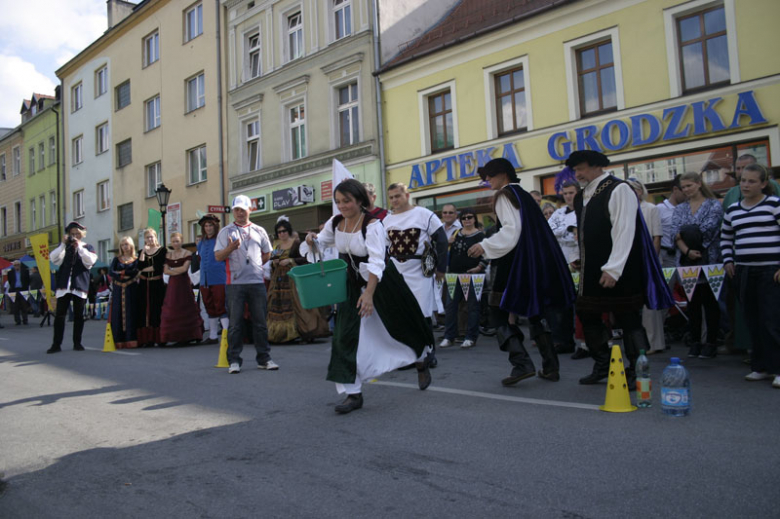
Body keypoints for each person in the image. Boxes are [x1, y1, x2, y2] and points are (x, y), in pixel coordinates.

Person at [302, 179, 434, 413]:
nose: (342, 206)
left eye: (347, 201)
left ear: (360, 200)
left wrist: (370, 294)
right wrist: (312, 240)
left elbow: (377, 261)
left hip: (382, 281)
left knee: (402, 324)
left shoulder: (373, 225)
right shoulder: (335, 223)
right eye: (338, 201)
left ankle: (421, 359)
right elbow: (320, 244)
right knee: (344, 335)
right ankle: (353, 394)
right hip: (352, 283)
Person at [567, 150, 673, 387]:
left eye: (581, 168)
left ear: (596, 166)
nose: (578, 174)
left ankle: (638, 369)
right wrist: (578, 257)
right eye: (575, 170)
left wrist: (613, 269)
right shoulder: (582, 195)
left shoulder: (619, 188)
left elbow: (624, 230)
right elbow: (584, 233)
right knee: (587, 313)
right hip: (592, 269)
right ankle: (603, 364)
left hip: (621, 267)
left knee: (627, 318)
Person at [465, 158, 574, 385]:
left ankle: (522, 364)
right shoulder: (523, 194)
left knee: (497, 312)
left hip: (513, 262)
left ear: (503, 174)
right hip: (533, 262)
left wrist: (484, 245)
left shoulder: (505, 195)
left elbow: (512, 231)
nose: (487, 180)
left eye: (490, 175)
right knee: (535, 312)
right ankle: (551, 367)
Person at [721, 164, 780, 389]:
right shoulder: (734, 209)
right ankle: (760, 366)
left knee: (771, 320)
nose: (745, 185)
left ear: (764, 184)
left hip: (770, 271)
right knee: (752, 320)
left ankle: (778, 367)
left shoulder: (774, 205)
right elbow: (725, 237)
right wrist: (728, 260)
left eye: (751, 181)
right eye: (743, 180)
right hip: (744, 271)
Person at [384, 183, 448, 366]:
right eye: (391, 197)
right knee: (402, 315)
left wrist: (440, 268)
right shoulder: (387, 221)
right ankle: (409, 356)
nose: (395, 200)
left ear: (407, 195)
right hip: (396, 271)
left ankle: (429, 354)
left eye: (398, 196)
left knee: (423, 313)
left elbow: (441, 240)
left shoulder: (423, 214)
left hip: (420, 270)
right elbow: (383, 247)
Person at [214, 195, 276, 373]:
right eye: (236, 210)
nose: (240, 213)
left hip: (256, 282)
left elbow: (267, 253)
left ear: (250, 210)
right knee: (235, 323)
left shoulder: (259, 230)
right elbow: (218, 256)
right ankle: (234, 360)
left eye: (243, 209)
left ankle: (264, 358)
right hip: (235, 283)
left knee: (260, 323)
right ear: (233, 211)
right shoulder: (226, 231)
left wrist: (256, 267)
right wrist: (230, 248)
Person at [672, 172, 723, 359]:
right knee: (692, 304)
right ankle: (695, 342)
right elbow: (675, 233)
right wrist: (687, 251)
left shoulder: (713, 205)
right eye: (683, 187)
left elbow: (709, 229)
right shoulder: (680, 208)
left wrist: (691, 237)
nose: (686, 190)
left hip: (710, 259)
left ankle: (711, 342)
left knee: (710, 303)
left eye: (689, 186)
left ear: (699, 184)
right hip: (686, 261)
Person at [266, 218, 329, 343]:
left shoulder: (296, 243)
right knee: (280, 307)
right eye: (279, 232)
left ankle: (304, 332)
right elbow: (272, 262)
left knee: (300, 306)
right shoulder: (277, 246)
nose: (282, 234)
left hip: (294, 280)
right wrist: (275, 262)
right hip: (279, 282)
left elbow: (305, 259)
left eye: (284, 231)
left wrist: (290, 261)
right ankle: (283, 334)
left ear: (288, 231)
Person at [627, 178, 666, 355]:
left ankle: (655, 342)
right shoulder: (625, 210)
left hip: (648, 258)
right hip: (630, 259)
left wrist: (653, 260)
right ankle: (639, 342)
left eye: (635, 190)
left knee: (651, 305)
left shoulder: (651, 209)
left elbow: (657, 237)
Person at [547, 179, 584, 358]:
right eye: (566, 193)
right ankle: (563, 341)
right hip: (560, 262)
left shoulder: (584, 210)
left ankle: (585, 344)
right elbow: (550, 231)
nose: (568, 196)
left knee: (582, 305)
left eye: (572, 192)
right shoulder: (559, 212)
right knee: (561, 305)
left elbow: (576, 235)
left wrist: (565, 232)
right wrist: (567, 230)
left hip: (579, 261)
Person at [47, 221, 98, 353]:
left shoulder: (87, 247)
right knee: (60, 315)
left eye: (77, 234)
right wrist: (63, 244)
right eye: (72, 234)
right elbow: (53, 259)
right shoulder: (65, 247)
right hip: (64, 285)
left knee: (78, 316)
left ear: (82, 234)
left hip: (80, 285)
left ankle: (77, 342)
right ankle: (56, 344)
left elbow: (91, 261)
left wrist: (79, 247)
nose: (75, 236)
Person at [439, 208, 486, 350]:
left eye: (470, 217)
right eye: (464, 218)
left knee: (473, 307)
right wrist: (448, 242)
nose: (467, 220)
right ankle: (449, 336)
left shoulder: (480, 236)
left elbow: (487, 254)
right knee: (451, 306)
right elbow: (444, 251)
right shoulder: (455, 234)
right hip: (453, 274)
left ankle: (471, 337)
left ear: (475, 218)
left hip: (473, 275)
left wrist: (479, 267)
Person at [158, 232, 204, 344]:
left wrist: (172, 271)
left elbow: (184, 269)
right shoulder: (168, 255)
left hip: (184, 284)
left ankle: (189, 335)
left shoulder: (187, 253)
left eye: (177, 241)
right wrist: (174, 271)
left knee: (185, 306)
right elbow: (165, 271)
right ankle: (170, 336)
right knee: (171, 307)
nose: (175, 243)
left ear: (181, 241)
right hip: (172, 285)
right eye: (173, 241)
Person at [196, 214, 228, 344]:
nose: (208, 228)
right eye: (206, 226)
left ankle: (226, 334)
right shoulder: (201, 243)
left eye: (210, 225)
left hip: (219, 278)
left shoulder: (221, 240)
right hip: (205, 279)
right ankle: (213, 336)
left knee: (221, 305)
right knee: (209, 305)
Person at [137, 228, 166, 347]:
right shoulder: (141, 252)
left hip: (157, 283)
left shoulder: (162, 250)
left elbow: (158, 266)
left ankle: (159, 338)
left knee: (157, 309)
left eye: (151, 237)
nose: (150, 239)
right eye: (147, 237)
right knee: (145, 310)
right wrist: (143, 252)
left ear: (156, 237)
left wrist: (144, 270)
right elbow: (139, 265)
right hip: (144, 284)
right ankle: (147, 339)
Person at [109, 236, 140, 349]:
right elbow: (111, 272)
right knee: (118, 313)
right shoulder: (116, 260)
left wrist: (122, 272)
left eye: (126, 244)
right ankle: (118, 340)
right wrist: (122, 274)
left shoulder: (136, 260)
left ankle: (131, 339)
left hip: (131, 288)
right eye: (123, 245)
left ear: (131, 245)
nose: (125, 247)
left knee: (131, 312)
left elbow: (134, 272)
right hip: (118, 289)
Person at [657, 175, 686, 268]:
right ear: (675, 189)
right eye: (684, 193)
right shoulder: (660, 209)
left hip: (686, 255)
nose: (688, 195)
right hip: (667, 255)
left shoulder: (689, 209)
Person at [7, 260, 30, 325]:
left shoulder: (25, 271)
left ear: (20, 265)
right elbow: (10, 281)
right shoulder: (10, 273)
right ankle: (17, 320)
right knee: (15, 307)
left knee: (24, 306)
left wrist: (25, 288)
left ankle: (25, 320)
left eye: (18, 265)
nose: (16, 266)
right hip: (14, 290)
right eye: (15, 265)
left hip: (23, 289)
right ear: (13, 266)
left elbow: (27, 280)